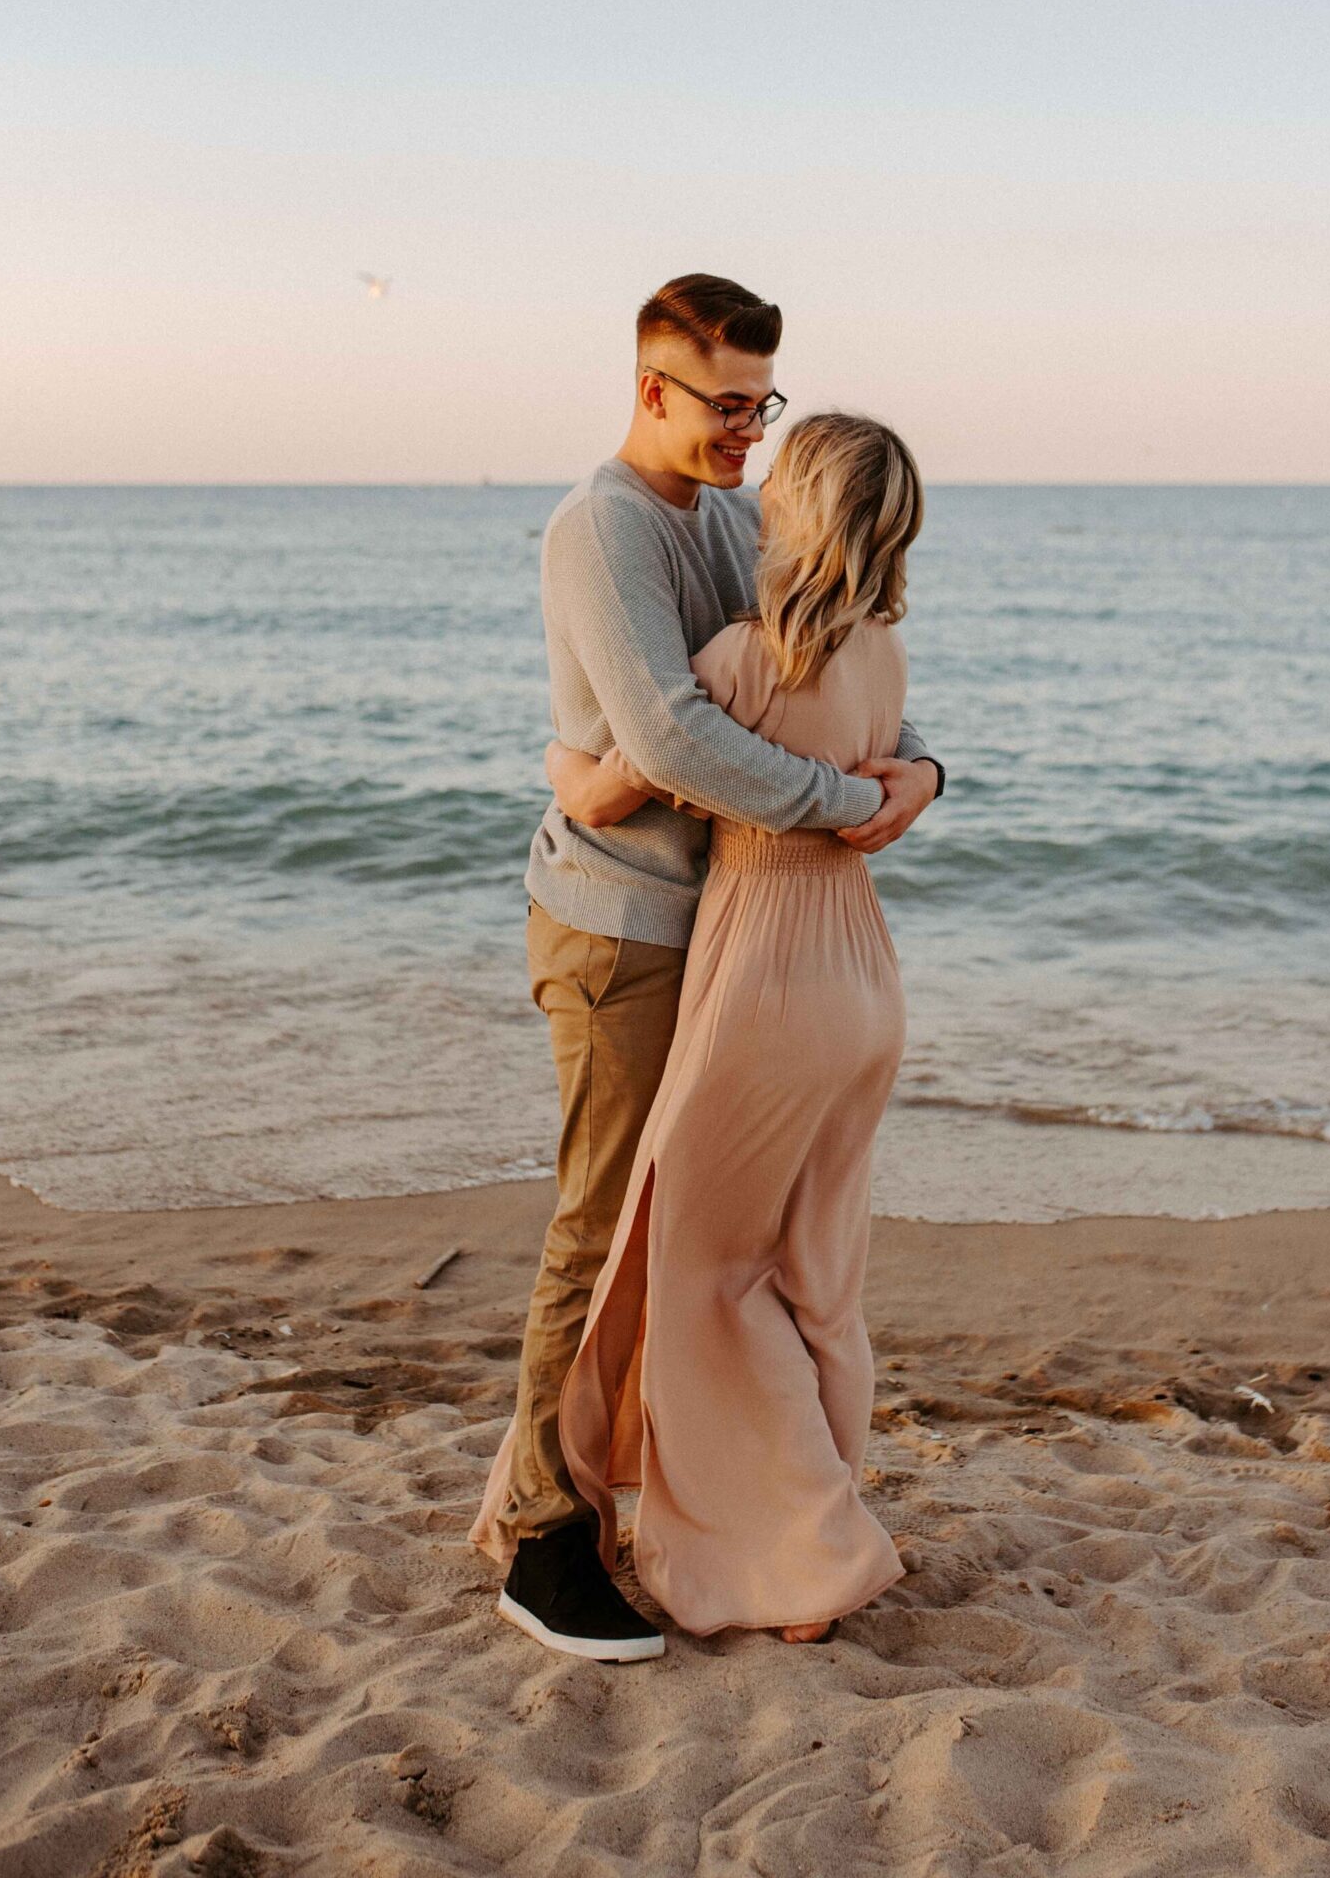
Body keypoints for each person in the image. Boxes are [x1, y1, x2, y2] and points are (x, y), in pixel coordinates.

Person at [470, 276, 941, 1661]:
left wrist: (921, 764)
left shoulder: (742, 517)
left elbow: (823, 650)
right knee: (602, 1231)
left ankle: (642, 1499)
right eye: (725, 404)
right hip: (624, 930)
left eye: (763, 405)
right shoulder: (599, 528)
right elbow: (675, 740)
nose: (747, 429)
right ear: (651, 390)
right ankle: (549, 1538)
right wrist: (849, 802)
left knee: (695, 1252)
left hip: (742, 944)